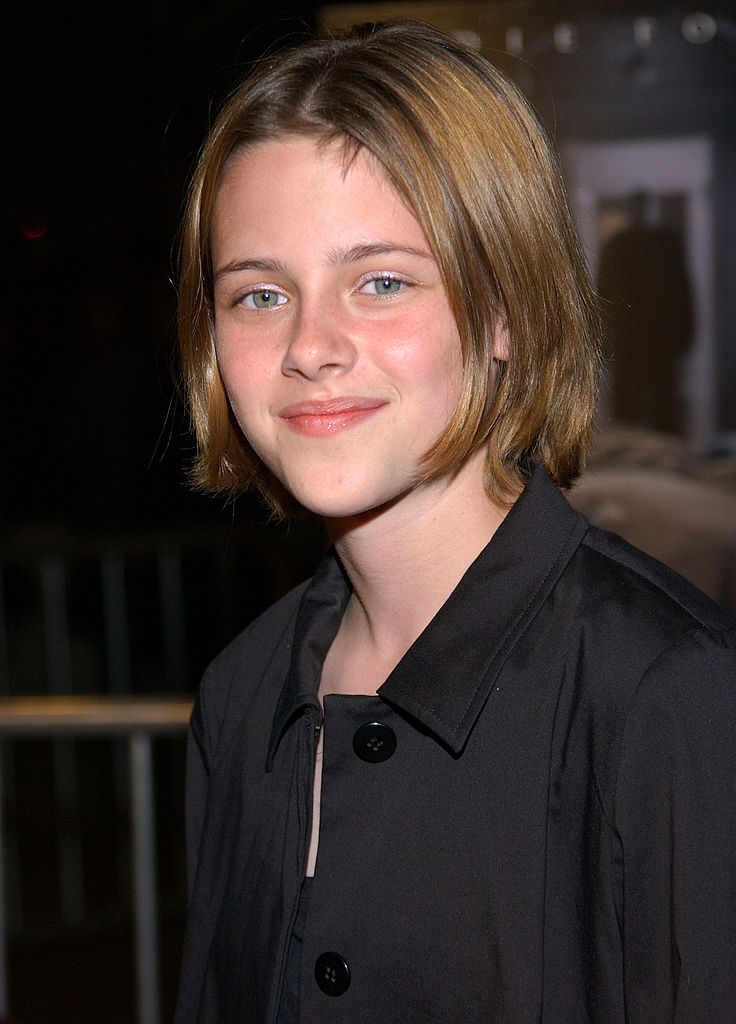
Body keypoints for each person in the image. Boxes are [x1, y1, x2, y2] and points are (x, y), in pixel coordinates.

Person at [174, 21, 736, 1024]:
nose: (310, 345)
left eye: (381, 281)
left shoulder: (669, 697)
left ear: (505, 307)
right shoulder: (240, 699)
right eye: (258, 294)